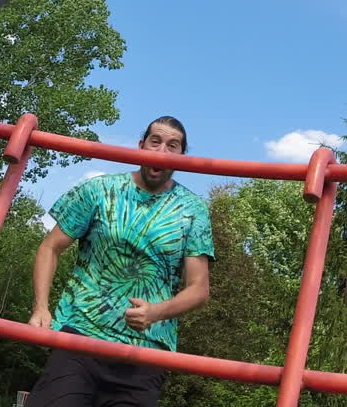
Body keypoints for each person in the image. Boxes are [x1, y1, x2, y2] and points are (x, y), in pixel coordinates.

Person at [25, 116, 214, 407]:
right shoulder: (99, 190)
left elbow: (199, 288)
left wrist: (155, 312)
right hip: (80, 335)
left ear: (182, 156)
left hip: (145, 351)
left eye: (172, 146)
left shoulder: (192, 211)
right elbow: (50, 247)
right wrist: (41, 308)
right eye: (155, 141)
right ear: (140, 145)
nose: (162, 151)